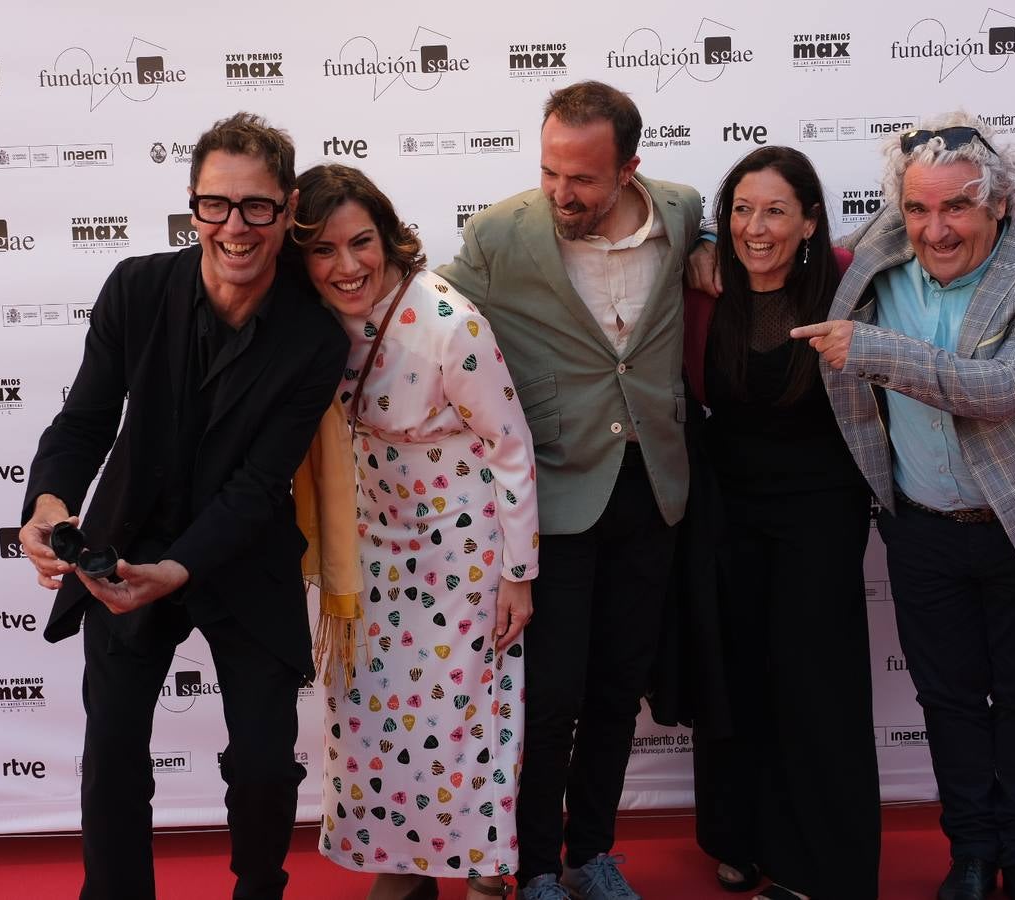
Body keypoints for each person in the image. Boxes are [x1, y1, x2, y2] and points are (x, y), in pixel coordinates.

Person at [17, 113, 349, 900]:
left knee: (267, 764)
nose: (234, 227)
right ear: (193, 205)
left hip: (241, 555)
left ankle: (258, 890)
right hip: (124, 545)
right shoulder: (136, 289)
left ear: (288, 205)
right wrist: (49, 503)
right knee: (114, 756)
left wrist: (179, 568)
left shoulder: (315, 337)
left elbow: (259, 484)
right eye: (215, 205)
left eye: (257, 207)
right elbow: (86, 420)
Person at [789, 113, 1015, 900]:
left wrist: (871, 350)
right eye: (919, 208)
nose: (935, 228)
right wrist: (701, 258)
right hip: (920, 530)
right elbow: (787, 247)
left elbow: (997, 391)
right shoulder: (878, 251)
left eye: (957, 207)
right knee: (948, 702)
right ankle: (970, 853)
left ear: (1000, 203)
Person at [438, 80, 703, 900]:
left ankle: (592, 853)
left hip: (652, 489)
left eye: (583, 179)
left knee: (619, 687)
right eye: (551, 171)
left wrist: (716, 258)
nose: (562, 193)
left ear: (630, 168)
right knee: (550, 700)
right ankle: (536, 865)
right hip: (553, 494)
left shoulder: (687, 211)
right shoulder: (497, 236)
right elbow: (431, 325)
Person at [291, 164, 540, 900]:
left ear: (388, 237)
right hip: (369, 541)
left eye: (361, 243)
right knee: (374, 717)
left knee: (466, 714)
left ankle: (485, 870)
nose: (347, 267)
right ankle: (399, 862)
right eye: (324, 251)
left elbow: (510, 448)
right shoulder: (306, 317)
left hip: (462, 547)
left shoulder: (446, 321)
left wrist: (518, 574)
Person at [680, 146, 879, 900]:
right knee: (733, 677)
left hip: (820, 510)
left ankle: (818, 867)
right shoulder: (707, 285)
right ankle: (740, 839)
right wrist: (702, 245)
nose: (754, 227)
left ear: (809, 222)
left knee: (814, 686)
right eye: (740, 209)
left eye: (774, 211)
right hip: (725, 508)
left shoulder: (847, 283)